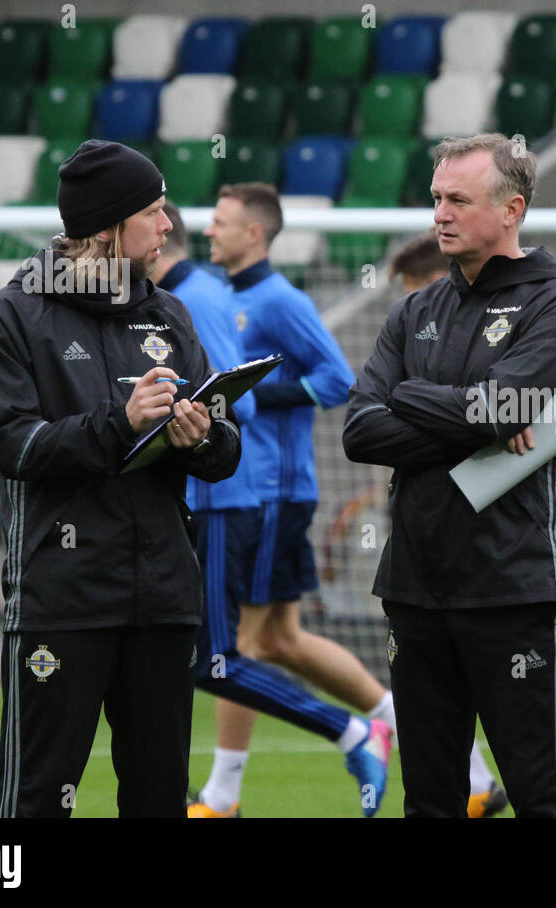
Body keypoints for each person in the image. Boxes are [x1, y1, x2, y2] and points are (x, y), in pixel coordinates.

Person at [0, 139, 241, 817]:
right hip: (61, 600)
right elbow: (15, 446)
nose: (169, 224)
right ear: (105, 229)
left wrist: (201, 438)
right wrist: (118, 425)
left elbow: (226, 447)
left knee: (157, 801)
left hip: (163, 601)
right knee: (37, 799)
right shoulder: (13, 315)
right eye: (153, 211)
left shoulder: (168, 314)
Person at [343, 133, 556, 817]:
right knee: (430, 798)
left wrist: (412, 396)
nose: (440, 215)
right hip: (415, 586)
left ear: (511, 209)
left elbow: (495, 410)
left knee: (540, 795)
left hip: (512, 585)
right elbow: (359, 430)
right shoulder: (415, 309)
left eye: (458, 200)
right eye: (435, 200)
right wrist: (470, 415)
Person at [148, 204, 390, 819]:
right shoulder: (209, 292)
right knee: (268, 640)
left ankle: (363, 732)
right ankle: (217, 790)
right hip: (227, 492)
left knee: (234, 652)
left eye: (222, 220)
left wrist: (227, 397)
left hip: (259, 489)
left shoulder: (233, 299)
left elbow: (332, 383)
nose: (210, 230)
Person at [386, 232, 509, 820]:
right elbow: (360, 430)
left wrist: (406, 395)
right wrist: (458, 415)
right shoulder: (415, 324)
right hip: (424, 567)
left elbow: (552, 411)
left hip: (518, 558)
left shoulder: (541, 316)